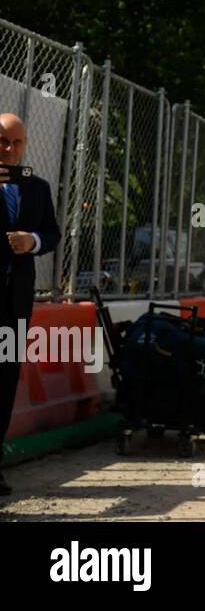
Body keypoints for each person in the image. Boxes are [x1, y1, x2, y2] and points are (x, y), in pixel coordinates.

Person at [0, 113, 62, 496]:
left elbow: (52, 233)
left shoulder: (35, 187)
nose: (9, 150)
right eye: (2, 142)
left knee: (4, 382)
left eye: (16, 143)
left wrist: (32, 241)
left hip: (13, 305)